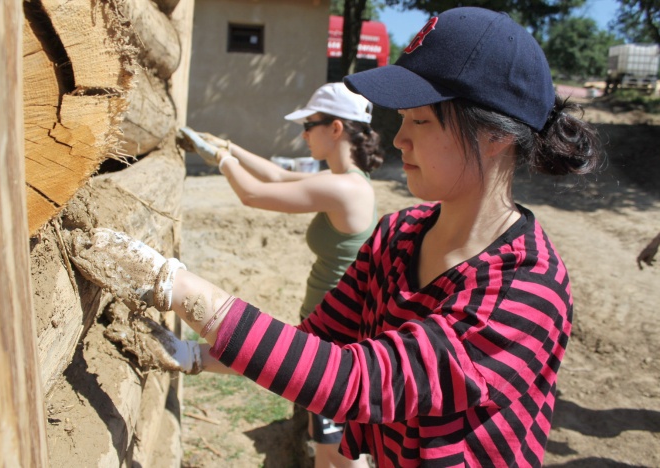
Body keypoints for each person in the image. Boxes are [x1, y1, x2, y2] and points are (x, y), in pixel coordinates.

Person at [68, 7, 602, 467]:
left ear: (493, 137)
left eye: (420, 121)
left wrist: (180, 288)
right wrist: (197, 357)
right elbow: (324, 337)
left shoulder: (528, 291)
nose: (399, 138)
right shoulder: (400, 236)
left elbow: (357, 382)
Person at [177, 82, 382, 467]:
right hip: (326, 325)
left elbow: (254, 193)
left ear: (335, 128)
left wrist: (221, 159)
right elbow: (275, 175)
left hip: (335, 340)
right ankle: (191, 356)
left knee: (336, 456)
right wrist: (229, 147)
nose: (304, 134)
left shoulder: (346, 189)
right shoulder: (342, 181)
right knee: (327, 445)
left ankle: (189, 355)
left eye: (310, 124)